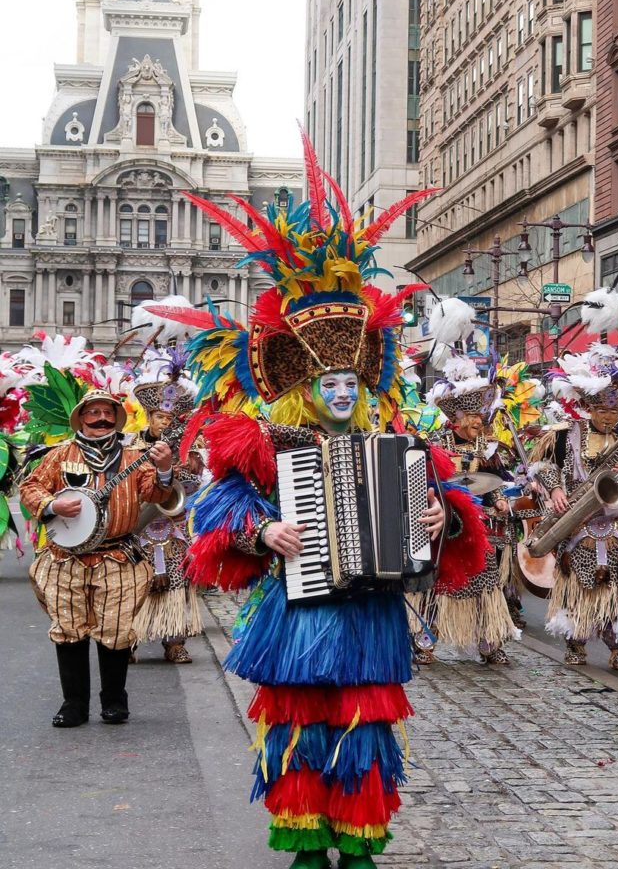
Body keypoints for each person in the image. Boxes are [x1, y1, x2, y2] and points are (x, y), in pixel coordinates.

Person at [149, 134, 485, 869]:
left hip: (368, 609)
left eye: (350, 383)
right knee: (297, 725)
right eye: (327, 383)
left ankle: (359, 842)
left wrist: (444, 516)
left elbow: (450, 503)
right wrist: (262, 528)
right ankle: (304, 841)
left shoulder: (396, 437)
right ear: (306, 386)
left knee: (365, 729)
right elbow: (217, 509)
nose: (340, 392)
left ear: (365, 385)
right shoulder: (262, 439)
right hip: (294, 605)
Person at [20, 390, 173, 727]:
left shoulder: (136, 456)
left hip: (118, 556)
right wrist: (52, 506)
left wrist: (163, 470)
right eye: (94, 413)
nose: (102, 418)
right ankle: (73, 704)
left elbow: (156, 493)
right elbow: (31, 487)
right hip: (66, 558)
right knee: (68, 629)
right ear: (82, 418)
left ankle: (114, 702)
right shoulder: (60, 454)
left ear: (116, 418)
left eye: (108, 412)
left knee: (116, 630)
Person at [534, 345, 618, 672]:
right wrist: (556, 487)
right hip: (576, 525)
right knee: (578, 587)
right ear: (588, 408)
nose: (608, 418)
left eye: (614, 413)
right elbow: (543, 465)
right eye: (601, 411)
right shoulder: (567, 435)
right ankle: (575, 642)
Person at [423, 355, 518, 664]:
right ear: (458, 417)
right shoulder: (435, 443)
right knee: (436, 583)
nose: (481, 420)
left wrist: (500, 499)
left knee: (486, 581)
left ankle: (490, 642)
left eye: (482, 414)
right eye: (475, 415)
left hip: (479, 526)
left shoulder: (486, 447)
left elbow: (495, 480)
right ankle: (424, 640)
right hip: (444, 523)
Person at [131, 371, 202, 662]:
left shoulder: (188, 449)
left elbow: (195, 478)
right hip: (139, 528)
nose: (165, 423)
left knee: (176, 582)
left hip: (174, 527)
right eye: (160, 417)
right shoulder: (130, 446)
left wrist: (171, 472)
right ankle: (128, 641)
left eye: (171, 419)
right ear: (149, 417)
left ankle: (175, 641)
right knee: (137, 584)